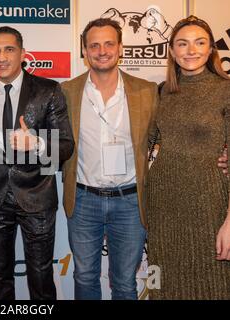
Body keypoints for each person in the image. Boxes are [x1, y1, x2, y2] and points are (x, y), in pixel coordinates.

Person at [0, 26, 74, 300]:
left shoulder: (48, 91)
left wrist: (37, 143)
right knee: (0, 276)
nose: (2, 57)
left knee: (40, 275)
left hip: (36, 197)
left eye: (9, 49)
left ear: (23, 54)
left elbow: (65, 145)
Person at [61, 18, 158, 300]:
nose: (101, 51)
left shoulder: (146, 91)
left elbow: (164, 136)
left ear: (120, 48)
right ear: (84, 51)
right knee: (84, 277)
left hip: (129, 201)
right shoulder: (67, 91)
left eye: (108, 43)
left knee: (125, 282)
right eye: (94, 45)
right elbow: (57, 142)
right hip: (83, 201)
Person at [147, 15, 230, 300]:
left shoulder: (226, 90)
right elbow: (142, 142)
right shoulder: (161, 91)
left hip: (211, 204)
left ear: (211, 50)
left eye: (199, 42)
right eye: (182, 43)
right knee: (161, 280)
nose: (191, 50)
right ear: (171, 51)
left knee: (214, 285)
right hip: (162, 204)